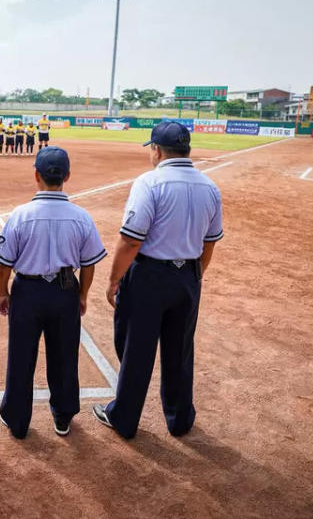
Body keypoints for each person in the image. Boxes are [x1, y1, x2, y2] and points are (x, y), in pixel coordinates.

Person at [93, 121, 224, 439]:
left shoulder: (149, 183)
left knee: (137, 348)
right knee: (180, 350)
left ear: (156, 149)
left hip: (149, 276)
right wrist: (194, 276)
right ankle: (179, 419)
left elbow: (131, 240)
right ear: (187, 149)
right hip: (188, 277)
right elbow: (210, 242)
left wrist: (113, 281)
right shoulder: (210, 186)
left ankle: (124, 419)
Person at [0, 146, 106, 438]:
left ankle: (17, 420)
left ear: (36, 176)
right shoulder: (81, 217)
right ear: (67, 176)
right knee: (64, 355)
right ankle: (63, 417)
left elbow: (5, 263)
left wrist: (3, 292)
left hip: (27, 292)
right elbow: (89, 263)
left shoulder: (20, 215)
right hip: (65, 292)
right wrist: (82, 296)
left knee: (21, 357)